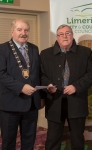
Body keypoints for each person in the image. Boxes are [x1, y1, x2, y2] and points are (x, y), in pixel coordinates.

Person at [40, 24, 92, 150]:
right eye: (61, 34)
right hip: (54, 102)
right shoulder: (45, 54)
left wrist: (76, 86)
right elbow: (41, 75)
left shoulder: (85, 52)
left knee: (77, 139)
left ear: (72, 35)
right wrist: (48, 85)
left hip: (77, 101)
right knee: (53, 139)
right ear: (57, 37)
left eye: (68, 33)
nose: (64, 36)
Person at [0, 18, 45, 150]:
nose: (23, 33)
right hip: (10, 104)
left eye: (26, 30)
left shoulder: (34, 48)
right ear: (12, 31)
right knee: (8, 142)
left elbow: (37, 74)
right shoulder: (2, 49)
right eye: (19, 30)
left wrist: (42, 96)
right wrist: (21, 87)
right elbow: (1, 74)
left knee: (29, 141)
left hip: (31, 104)